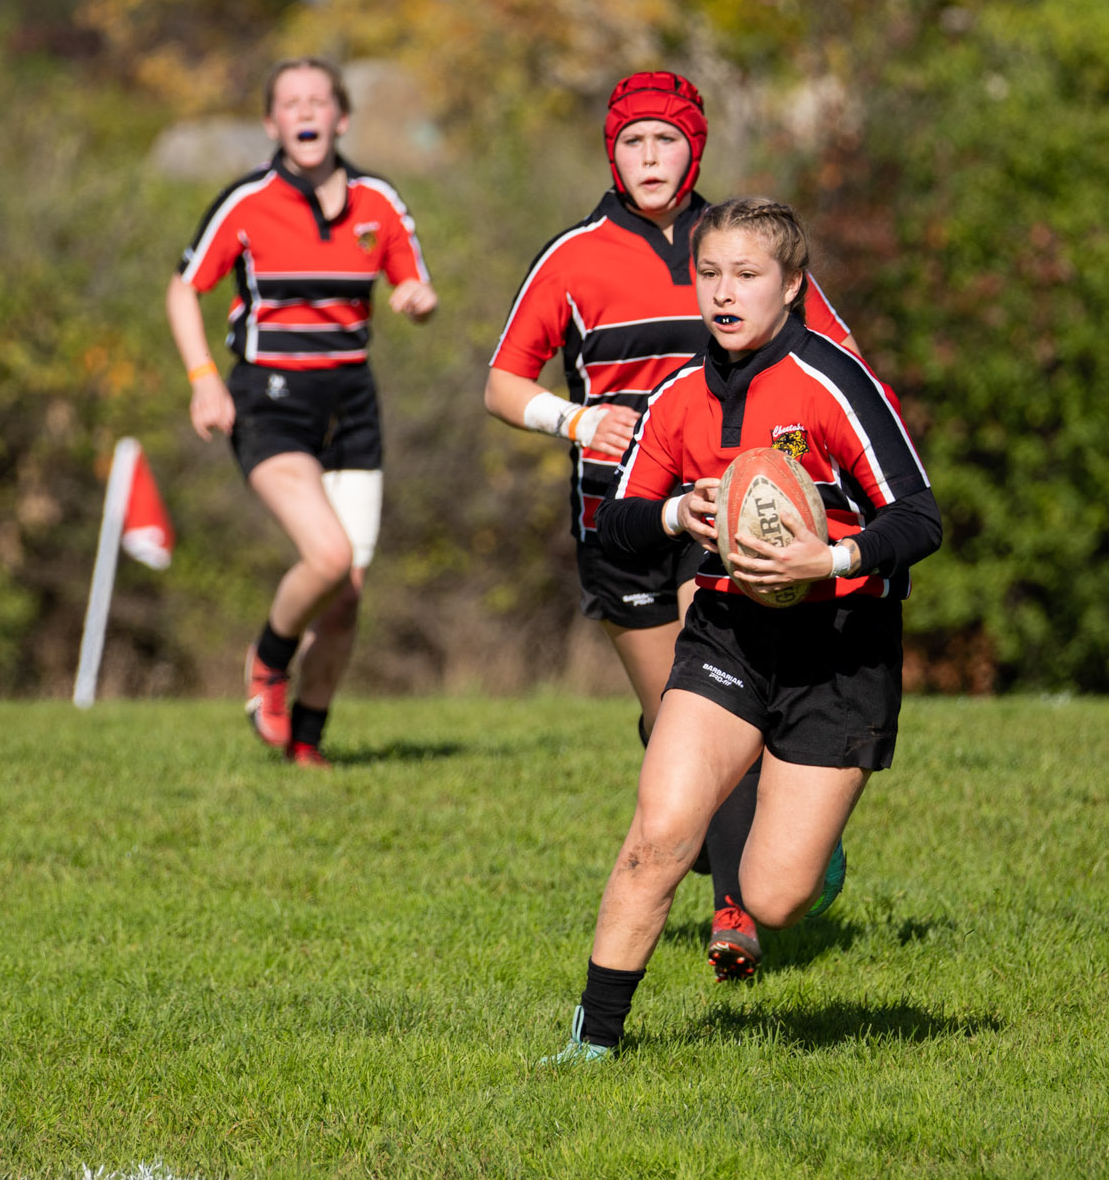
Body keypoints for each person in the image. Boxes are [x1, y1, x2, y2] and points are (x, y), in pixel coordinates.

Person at [542, 197, 939, 1062]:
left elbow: (918, 517)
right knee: (657, 838)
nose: (724, 292)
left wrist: (828, 561)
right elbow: (618, 523)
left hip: (840, 645)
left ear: (791, 286)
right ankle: (592, 1046)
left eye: (747, 275)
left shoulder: (834, 381)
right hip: (726, 633)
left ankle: (802, 841)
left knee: (773, 893)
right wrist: (681, 510)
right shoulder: (678, 393)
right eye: (709, 274)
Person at [483, 72, 860, 978]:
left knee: (713, 695)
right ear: (611, 153)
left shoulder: (738, 246)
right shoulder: (571, 257)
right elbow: (501, 384)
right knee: (671, 722)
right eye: (631, 144)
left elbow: (835, 354)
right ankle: (758, 829)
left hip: (722, 518)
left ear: (695, 149)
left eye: (665, 142)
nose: (648, 159)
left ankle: (737, 908)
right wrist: (573, 421)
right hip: (621, 523)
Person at [166, 58, 436, 766]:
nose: (307, 111)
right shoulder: (246, 201)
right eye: (292, 102)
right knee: (329, 555)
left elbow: (415, 279)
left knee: (346, 593)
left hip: (350, 403)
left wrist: (415, 299)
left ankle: (308, 748)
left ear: (341, 118)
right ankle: (267, 658)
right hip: (269, 399)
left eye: (320, 100)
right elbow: (182, 289)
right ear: (272, 123)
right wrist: (203, 381)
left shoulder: (378, 200)